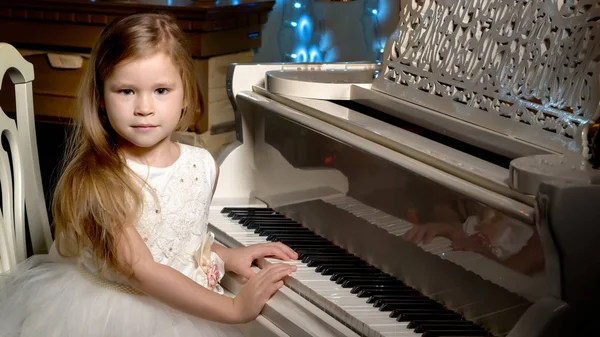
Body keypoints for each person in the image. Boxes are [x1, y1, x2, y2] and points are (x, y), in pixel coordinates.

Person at [0, 12, 297, 336]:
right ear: (100, 99)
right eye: (126, 91)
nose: (144, 107)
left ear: (186, 95)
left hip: (182, 302)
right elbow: (140, 268)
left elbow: (176, 243)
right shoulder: (98, 179)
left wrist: (223, 256)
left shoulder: (202, 164)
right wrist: (234, 308)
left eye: (161, 90)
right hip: (114, 315)